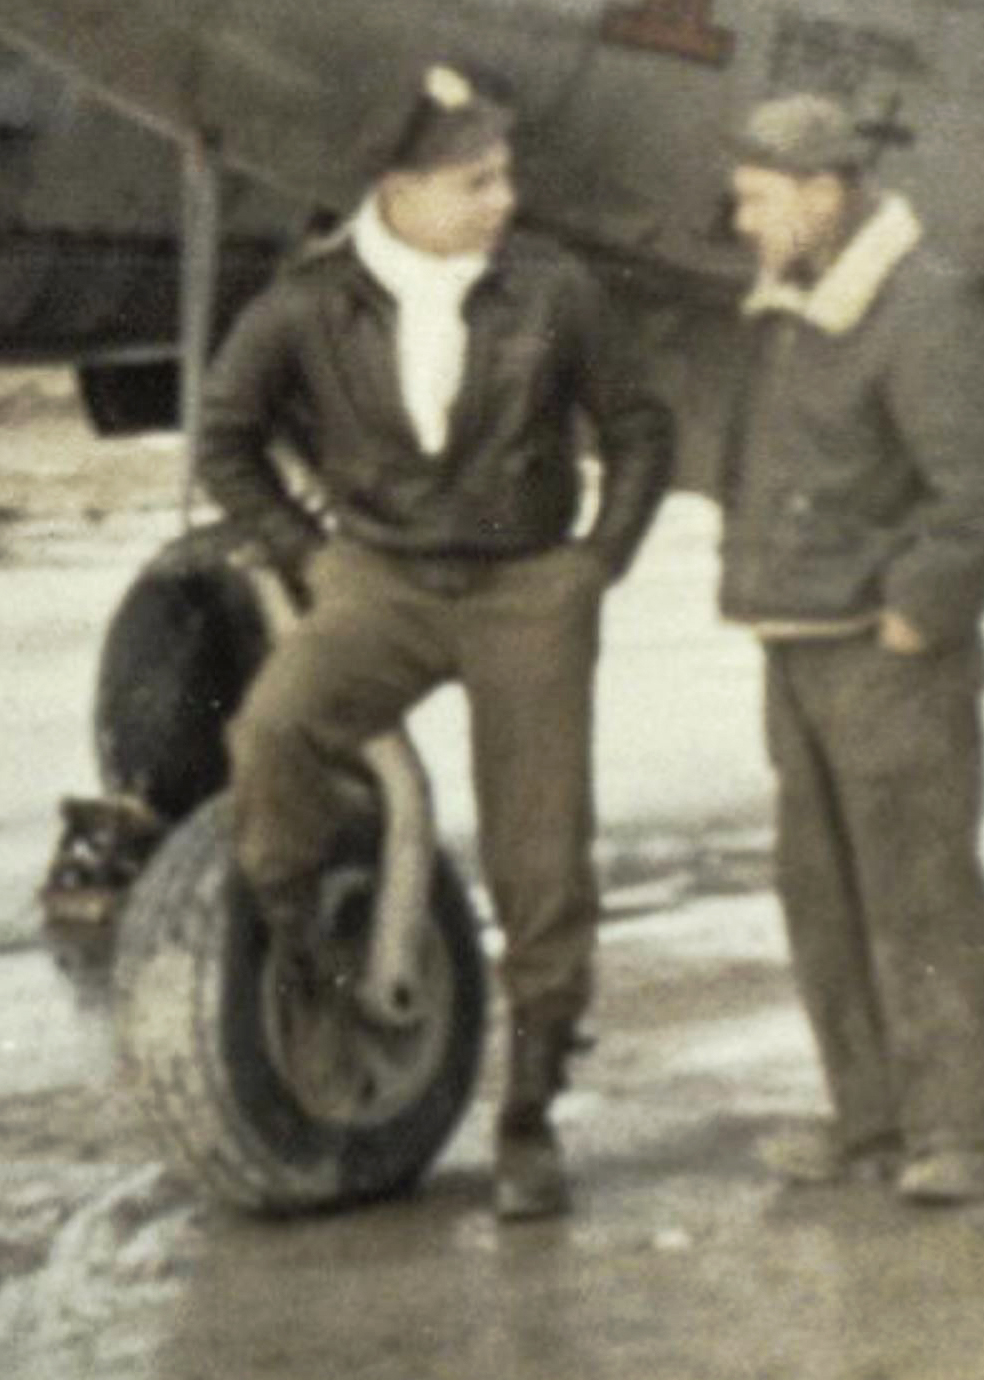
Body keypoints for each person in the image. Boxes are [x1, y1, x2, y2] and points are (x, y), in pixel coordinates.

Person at [202, 64, 673, 1222]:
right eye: (478, 179)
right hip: (379, 578)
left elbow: (641, 425)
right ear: (399, 188)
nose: (505, 198)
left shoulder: (551, 289)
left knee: (540, 851)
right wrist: (304, 554)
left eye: (506, 173)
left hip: (527, 587)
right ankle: (304, 957)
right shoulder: (310, 301)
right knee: (273, 729)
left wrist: (593, 563)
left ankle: (528, 1107)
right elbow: (226, 438)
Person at [718, 94, 984, 1207]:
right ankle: (869, 1117)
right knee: (822, 892)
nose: (742, 220)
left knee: (918, 893)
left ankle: (958, 1128)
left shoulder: (922, 306)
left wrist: (919, 612)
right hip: (800, 645)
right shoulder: (793, 305)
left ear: (821, 194)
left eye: (759, 199)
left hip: (882, 654)